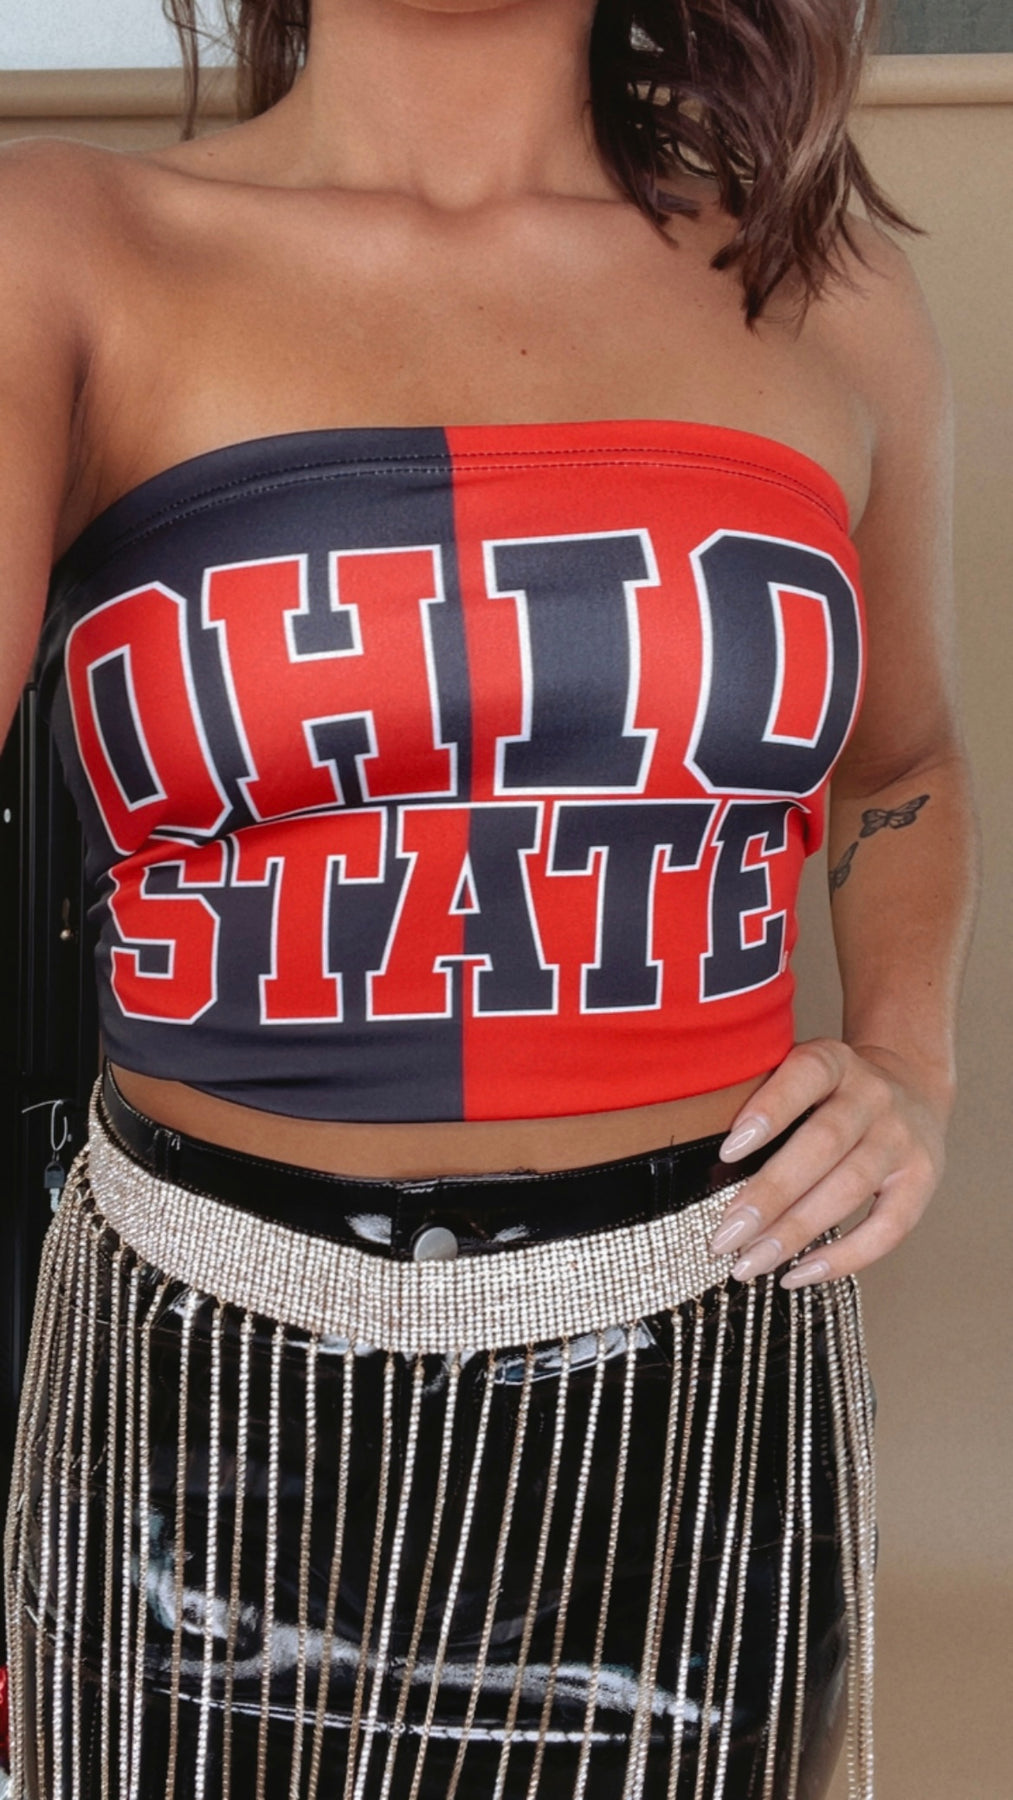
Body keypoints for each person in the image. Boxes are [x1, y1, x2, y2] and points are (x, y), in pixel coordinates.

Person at [0, 0, 977, 1795]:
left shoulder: (818, 288)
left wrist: (908, 1057)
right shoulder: (63, 243)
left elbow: (896, 763)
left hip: (699, 1434)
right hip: (195, 1432)